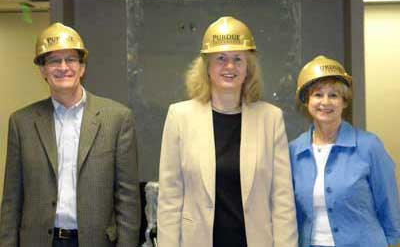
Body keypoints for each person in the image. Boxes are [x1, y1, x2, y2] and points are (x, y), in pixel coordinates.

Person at [157, 16, 298, 247]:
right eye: (220, 58)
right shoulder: (179, 116)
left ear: (248, 68)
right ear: (207, 67)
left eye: (238, 59)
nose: (229, 66)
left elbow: (282, 200)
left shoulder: (270, 118)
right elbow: (170, 199)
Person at [0, 22, 141, 247]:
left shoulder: (117, 119)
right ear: (43, 70)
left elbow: (128, 200)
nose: (63, 67)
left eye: (71, 60)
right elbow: (11, 201)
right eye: (54, 61)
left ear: (82, 67)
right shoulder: (22, 123)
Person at [289, 55, 400, 247]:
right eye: (317, 94)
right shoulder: (293, 151)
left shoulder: (369, 146)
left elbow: (389, 206)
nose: (326, 102)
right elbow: (292, 215)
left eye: (334, 95)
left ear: (344, 102)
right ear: (306, 101)